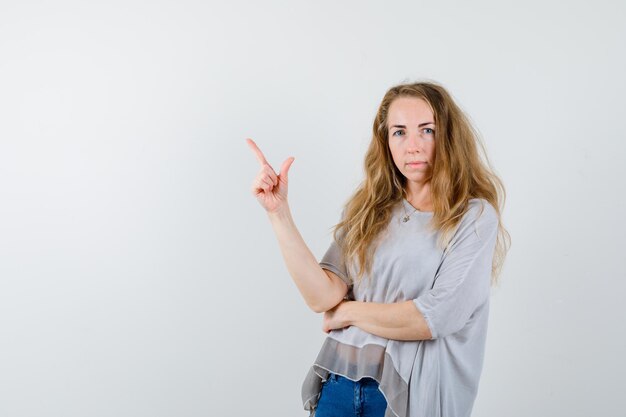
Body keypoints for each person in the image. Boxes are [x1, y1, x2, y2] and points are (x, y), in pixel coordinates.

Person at [246, 81, 511, 417]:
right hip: (339, 384)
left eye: (426, 130)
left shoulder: (472, 217)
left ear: (447, 136)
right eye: (399, 132)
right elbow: (321, 297)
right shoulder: (370, 209)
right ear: (385, 141)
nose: (412, 146)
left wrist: (349, 312)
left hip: (404, 396)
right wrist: (278, 213)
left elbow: (435, 317)